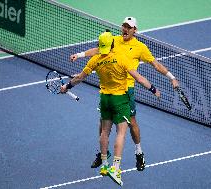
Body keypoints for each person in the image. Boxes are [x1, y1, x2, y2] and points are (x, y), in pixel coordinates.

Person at [70, 17, 179, 171]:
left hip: (127, 90)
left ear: (135, 30)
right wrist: (80, 55)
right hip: (110, 88)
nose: (126, 29)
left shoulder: (140, 47)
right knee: (102, 123)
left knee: (131, 123)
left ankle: (139, 152)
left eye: (129, 27)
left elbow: (155, 64)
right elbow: (99, 50)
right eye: (124, 26)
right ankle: (104, 153)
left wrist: (172, 78)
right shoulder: (114, 40)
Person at [62, 31, 160, 185]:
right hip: (120, 100)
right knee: (121, 132)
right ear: (113, 44)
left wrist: (67, 86)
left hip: (104, 99)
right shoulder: (122, 58)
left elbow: (80, 77)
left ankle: (104, 165)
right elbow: (139, 78)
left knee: (104, 131)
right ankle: (115, 168)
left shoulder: (94, 60)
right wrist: (153, 89)